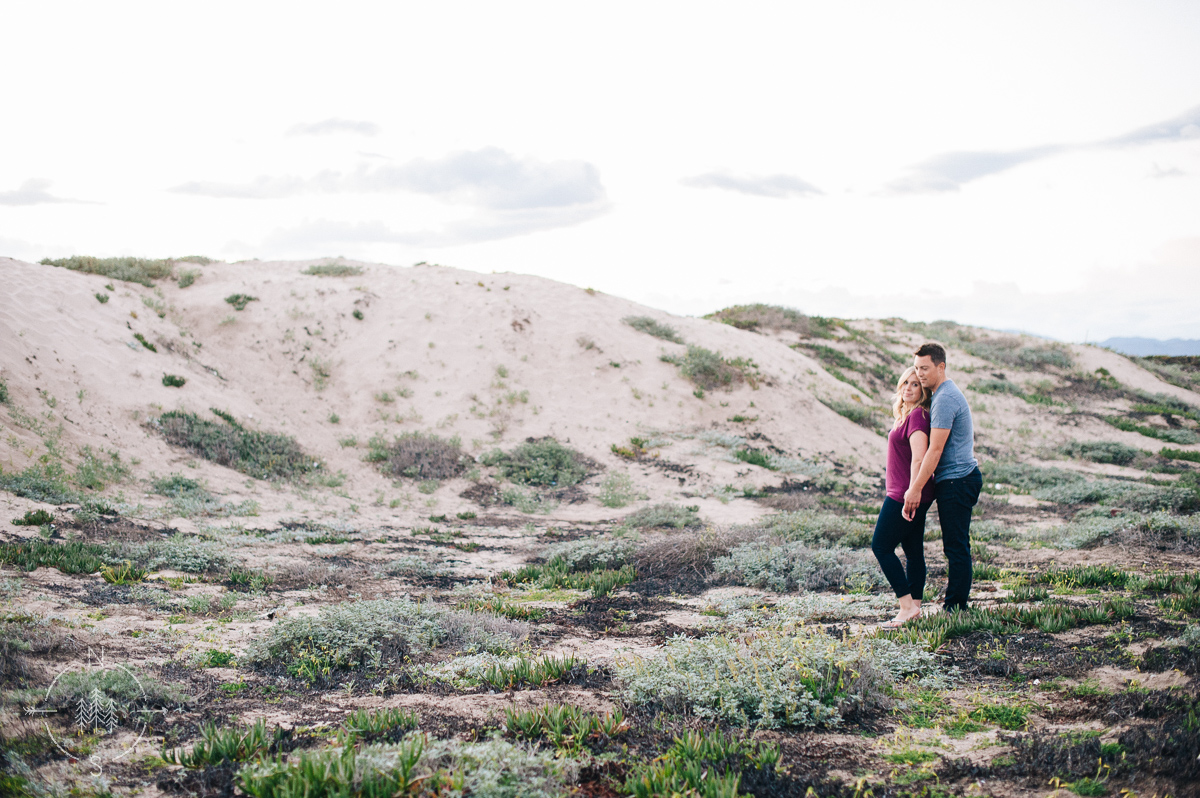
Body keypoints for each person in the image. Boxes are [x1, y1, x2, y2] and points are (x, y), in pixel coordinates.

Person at [904, 342, 982, 613]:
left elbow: (934, 451)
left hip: (958, 480)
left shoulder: (945, 397)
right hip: (956, 479)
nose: (920, 374)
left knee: (956, 547)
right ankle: (955, 605)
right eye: (916, 368)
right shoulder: (940, 394)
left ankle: (955, 609)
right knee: (956, 545)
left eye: (925, 368)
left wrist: (915, 489)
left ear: (941, 366)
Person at [873, 367, 934, 628]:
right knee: (912, 550)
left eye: (915, 385)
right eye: (905, 383)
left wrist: (912, 491)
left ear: (923, 391)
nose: (908, 388)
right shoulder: (907, 415)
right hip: (910, 491)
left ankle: (906, 606)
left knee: (881, 546)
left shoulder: (918, 417)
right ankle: (916, 607)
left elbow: (919, 458)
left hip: (905, 493)